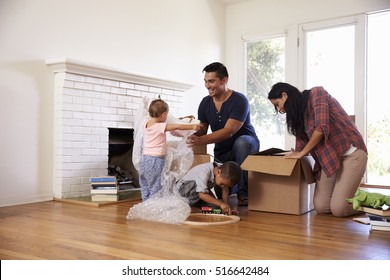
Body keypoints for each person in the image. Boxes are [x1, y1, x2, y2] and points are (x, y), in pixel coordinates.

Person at [268, 82, 368, 217]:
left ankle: (375, 204)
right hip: (330, 159)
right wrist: (295, 154)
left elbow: (321, 128)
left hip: (352, 153)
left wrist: (302, 153)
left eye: (277, 104)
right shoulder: (298, 114)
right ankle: (346, 194)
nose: (279, 110)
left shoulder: (317, 94)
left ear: (284, 96)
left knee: (339, 209)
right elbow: (300, 144)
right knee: (322, 207)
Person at [186, 62, 260, 206]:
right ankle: (237, 185)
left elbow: (229, 131)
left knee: (241, 143)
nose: (207, 86)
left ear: (224, 80)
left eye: (211, 81)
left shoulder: (240, 100)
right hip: (223, 150)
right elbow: (202, 131)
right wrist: (189, 127)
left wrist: (200, 141)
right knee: (221, 190)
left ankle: (244, 193)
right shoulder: (205, 103)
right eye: (206, 81)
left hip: (246, 145)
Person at [140, 99, 201, 201]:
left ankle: (145, 202)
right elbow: (176, 126)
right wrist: (192, 126)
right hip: (155, 160)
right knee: (155, 184)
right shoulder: (159, 126)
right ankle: (153, 205)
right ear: (163, 114)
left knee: (145, 182)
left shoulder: (146, 123)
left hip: (145, 158)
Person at [175, 161, 241, 215]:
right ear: (218, 172)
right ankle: (186, 207)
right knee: (195, 185)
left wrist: (226, 206)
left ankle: (198, 209)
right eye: (222, 184)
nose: (222, 186)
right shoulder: (204, 171)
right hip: (184, 191)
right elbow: (202, 194)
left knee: (217, 209)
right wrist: (221, 204)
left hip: (199, 192)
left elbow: (225, 189)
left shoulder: (222, 170)